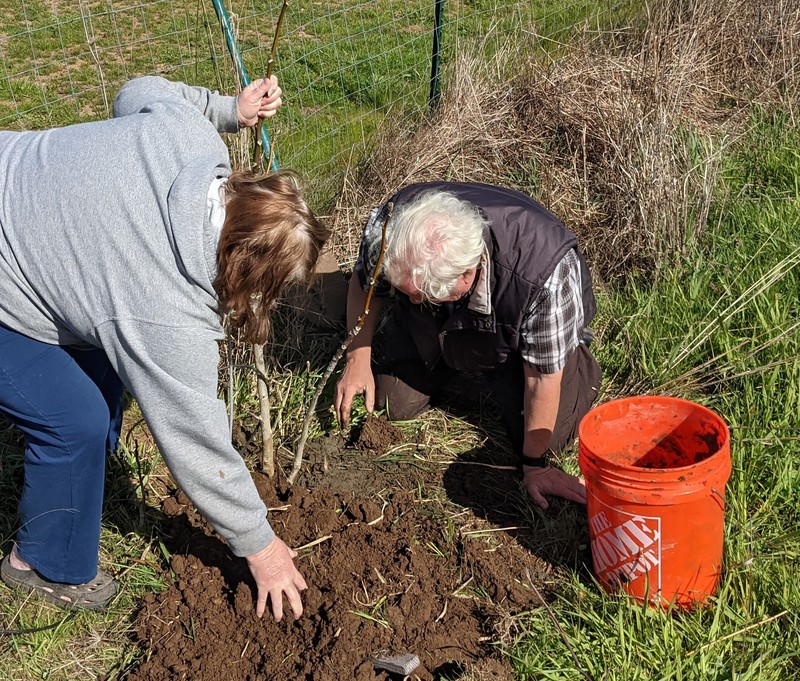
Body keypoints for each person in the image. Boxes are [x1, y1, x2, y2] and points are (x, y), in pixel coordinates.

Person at [0, 74, 329, 620]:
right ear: (244, 268)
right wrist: (262, 546)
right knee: (73, 420)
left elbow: (136, 90)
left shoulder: (194, 141)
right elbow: (195, 441)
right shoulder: (163, 309)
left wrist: (228, 108)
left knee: (103, 350)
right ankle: (42, 565)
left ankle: (76, 480)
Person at [334, 182, 601, 509]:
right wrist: (358, 358)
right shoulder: (392, 227)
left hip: (517, 334)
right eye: (403, 291)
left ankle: (574, 363)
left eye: (418, 294)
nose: (409, 298)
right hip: (440, 323)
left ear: (465, 276)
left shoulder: (543, 276)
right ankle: (457, 354)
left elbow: (542, 380)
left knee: (549, 437)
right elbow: (366, 285)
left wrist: (534, 465)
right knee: (393, 403)